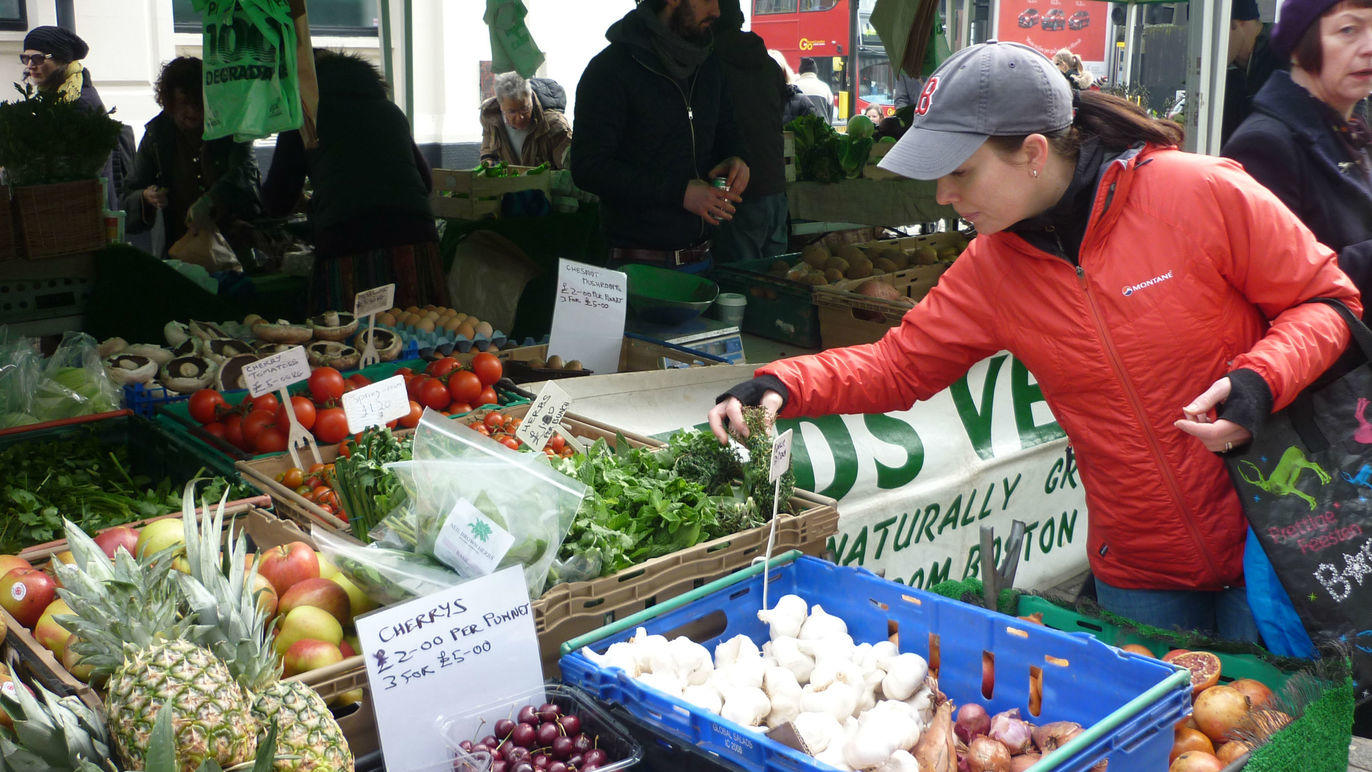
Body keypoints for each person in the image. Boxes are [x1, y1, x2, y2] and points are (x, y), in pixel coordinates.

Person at [707, 41, 1361, 641]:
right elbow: (897, 365)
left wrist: (1259, 379)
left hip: (1274, 538)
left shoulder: (1198, 191)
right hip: (1137, 571)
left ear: (1033, 153)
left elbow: (1329, 301)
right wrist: (780, 383)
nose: (943, 194)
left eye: (960, 171)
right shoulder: (991, 269)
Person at [261, 50, 448, 313]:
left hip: (348, 244)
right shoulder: (390, 111)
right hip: (415, 239)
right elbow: (425, 182)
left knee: (351, 342)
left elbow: (278, 201)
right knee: (423, 336)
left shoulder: (304, 117)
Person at [570, 0, 749, 274]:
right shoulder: (610, 69)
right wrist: (679, 192)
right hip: (638, 266)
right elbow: (588, 167)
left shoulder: (709, 65)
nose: (717, 11)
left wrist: (737, 158)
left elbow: (728, 130)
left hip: (704, 260)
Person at [1223, 0, 1372, 305]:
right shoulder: (1264, 146)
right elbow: (1283, 287)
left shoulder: (1351, 130)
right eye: (1348, 29)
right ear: (1299, 44)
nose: (1369, 46)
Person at [121, 57, 261, 260]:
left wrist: (213, 200)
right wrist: (145, 197)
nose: (193, 111)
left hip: (235, 246)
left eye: (199, 102)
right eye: (185, 103)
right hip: (180, 249)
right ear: (169, 102)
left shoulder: (230, 127)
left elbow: (244, 173)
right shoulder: (156, 136)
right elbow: (128, 195)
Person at [712, 4, 790, 263]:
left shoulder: (711, 63)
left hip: (738, 189)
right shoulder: (768, 64)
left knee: (742, 283)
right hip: (775, 185)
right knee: (775, 280)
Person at [478, 71, 573, 170]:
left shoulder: (555, 125)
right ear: (500, 105)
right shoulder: (490, 115)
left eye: (525, 109)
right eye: (512, 112)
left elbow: (569, 167)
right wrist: (489, 165)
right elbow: (488, 150)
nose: (520, 117)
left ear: (531, 97)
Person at [1221, 0, 1285, 144]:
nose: (1208, 46)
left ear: (1240, 22)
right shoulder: (1231, 72)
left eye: (1214, 33)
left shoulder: (1283, 52)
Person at [21, 26, 102, 112]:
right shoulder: (49, 93)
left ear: (61, 60)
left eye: (38, 58)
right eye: (25, 58)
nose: (30, 65)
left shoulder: (79, 103)